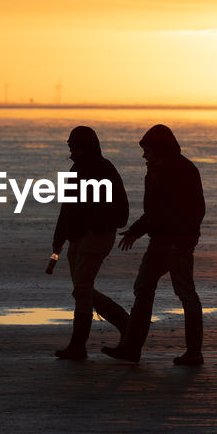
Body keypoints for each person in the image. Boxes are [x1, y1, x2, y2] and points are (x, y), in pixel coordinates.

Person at [102, 124, 206, 366]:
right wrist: (137, 231)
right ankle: (131, 348)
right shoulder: (154, 172)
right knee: (143, 288)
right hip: (159, 241)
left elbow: (194, 210)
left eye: (147, 149)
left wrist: (184, 239)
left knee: (185, 293)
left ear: (159, 148)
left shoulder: (184, 170)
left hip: (177, 243)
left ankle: (194, 353)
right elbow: (154, 211)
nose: (143, 155)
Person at [50, 126, 130, 361]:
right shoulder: (76, 170)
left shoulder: (105, 170)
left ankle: (78, 346)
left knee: (82, 288)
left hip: (97, 238)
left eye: (74, 147)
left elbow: (121, 211)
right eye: (70, 148)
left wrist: (97, 226)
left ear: (85, 147)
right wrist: (58, 241)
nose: (71, 152)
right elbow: (66, 210)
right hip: (77, 239)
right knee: (82, 290)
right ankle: (124, 321)